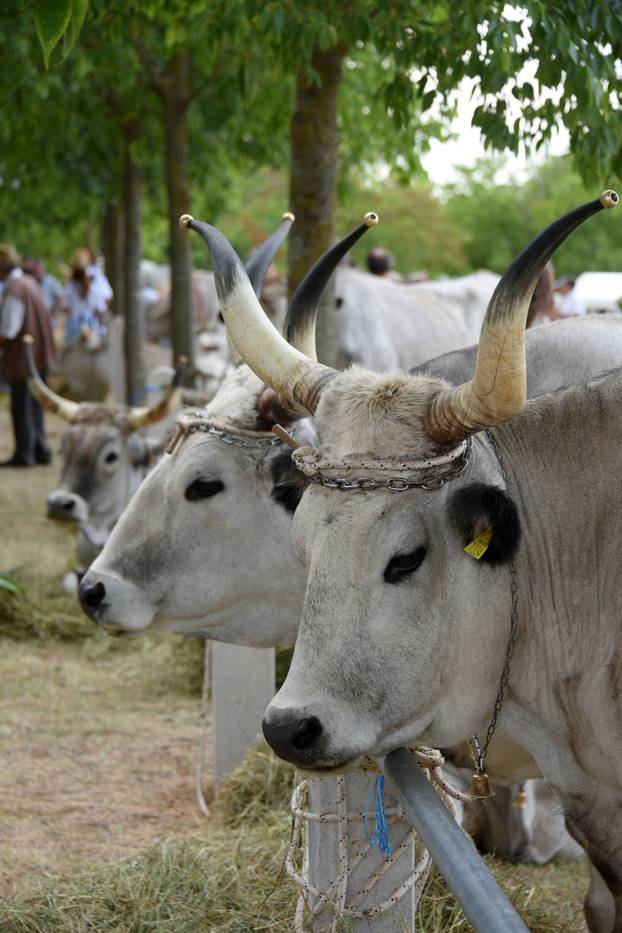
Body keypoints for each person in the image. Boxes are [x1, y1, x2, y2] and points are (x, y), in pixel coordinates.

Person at [0, 244, 55, 467]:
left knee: (22, 407)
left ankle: (25, 454)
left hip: (24, 359)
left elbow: (8, 330)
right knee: (35, 406)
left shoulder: (16, 290)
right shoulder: (29, 283)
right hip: (38, 356)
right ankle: (40, 450)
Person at [61, 249, 111, 345]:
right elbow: (101, 308)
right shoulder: (91, 288)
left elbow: (65, 308)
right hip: (82, 324)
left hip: (81, 325)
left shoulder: (71, 288)